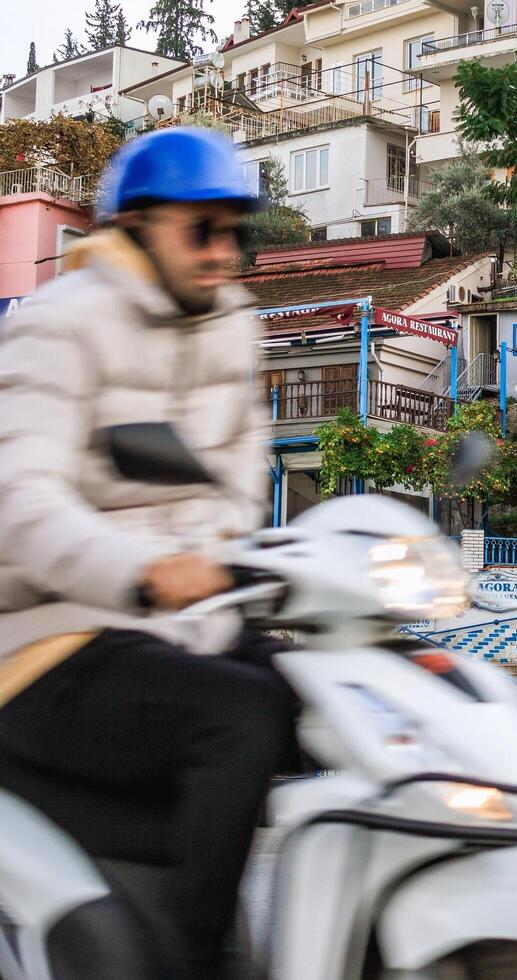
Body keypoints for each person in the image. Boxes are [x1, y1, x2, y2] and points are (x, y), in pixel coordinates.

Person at [0, 128, 294, 980]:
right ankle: (194, 960)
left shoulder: (232, 325)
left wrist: (237, 561)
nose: (222, 254)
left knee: (331, 697)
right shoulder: (59, 325)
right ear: (133, 228)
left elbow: (241, 473)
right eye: (200, 230)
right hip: (46, 638)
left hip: (183, 620)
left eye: (236, 232)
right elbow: (21, 500)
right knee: (240, 718)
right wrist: (138, 573)